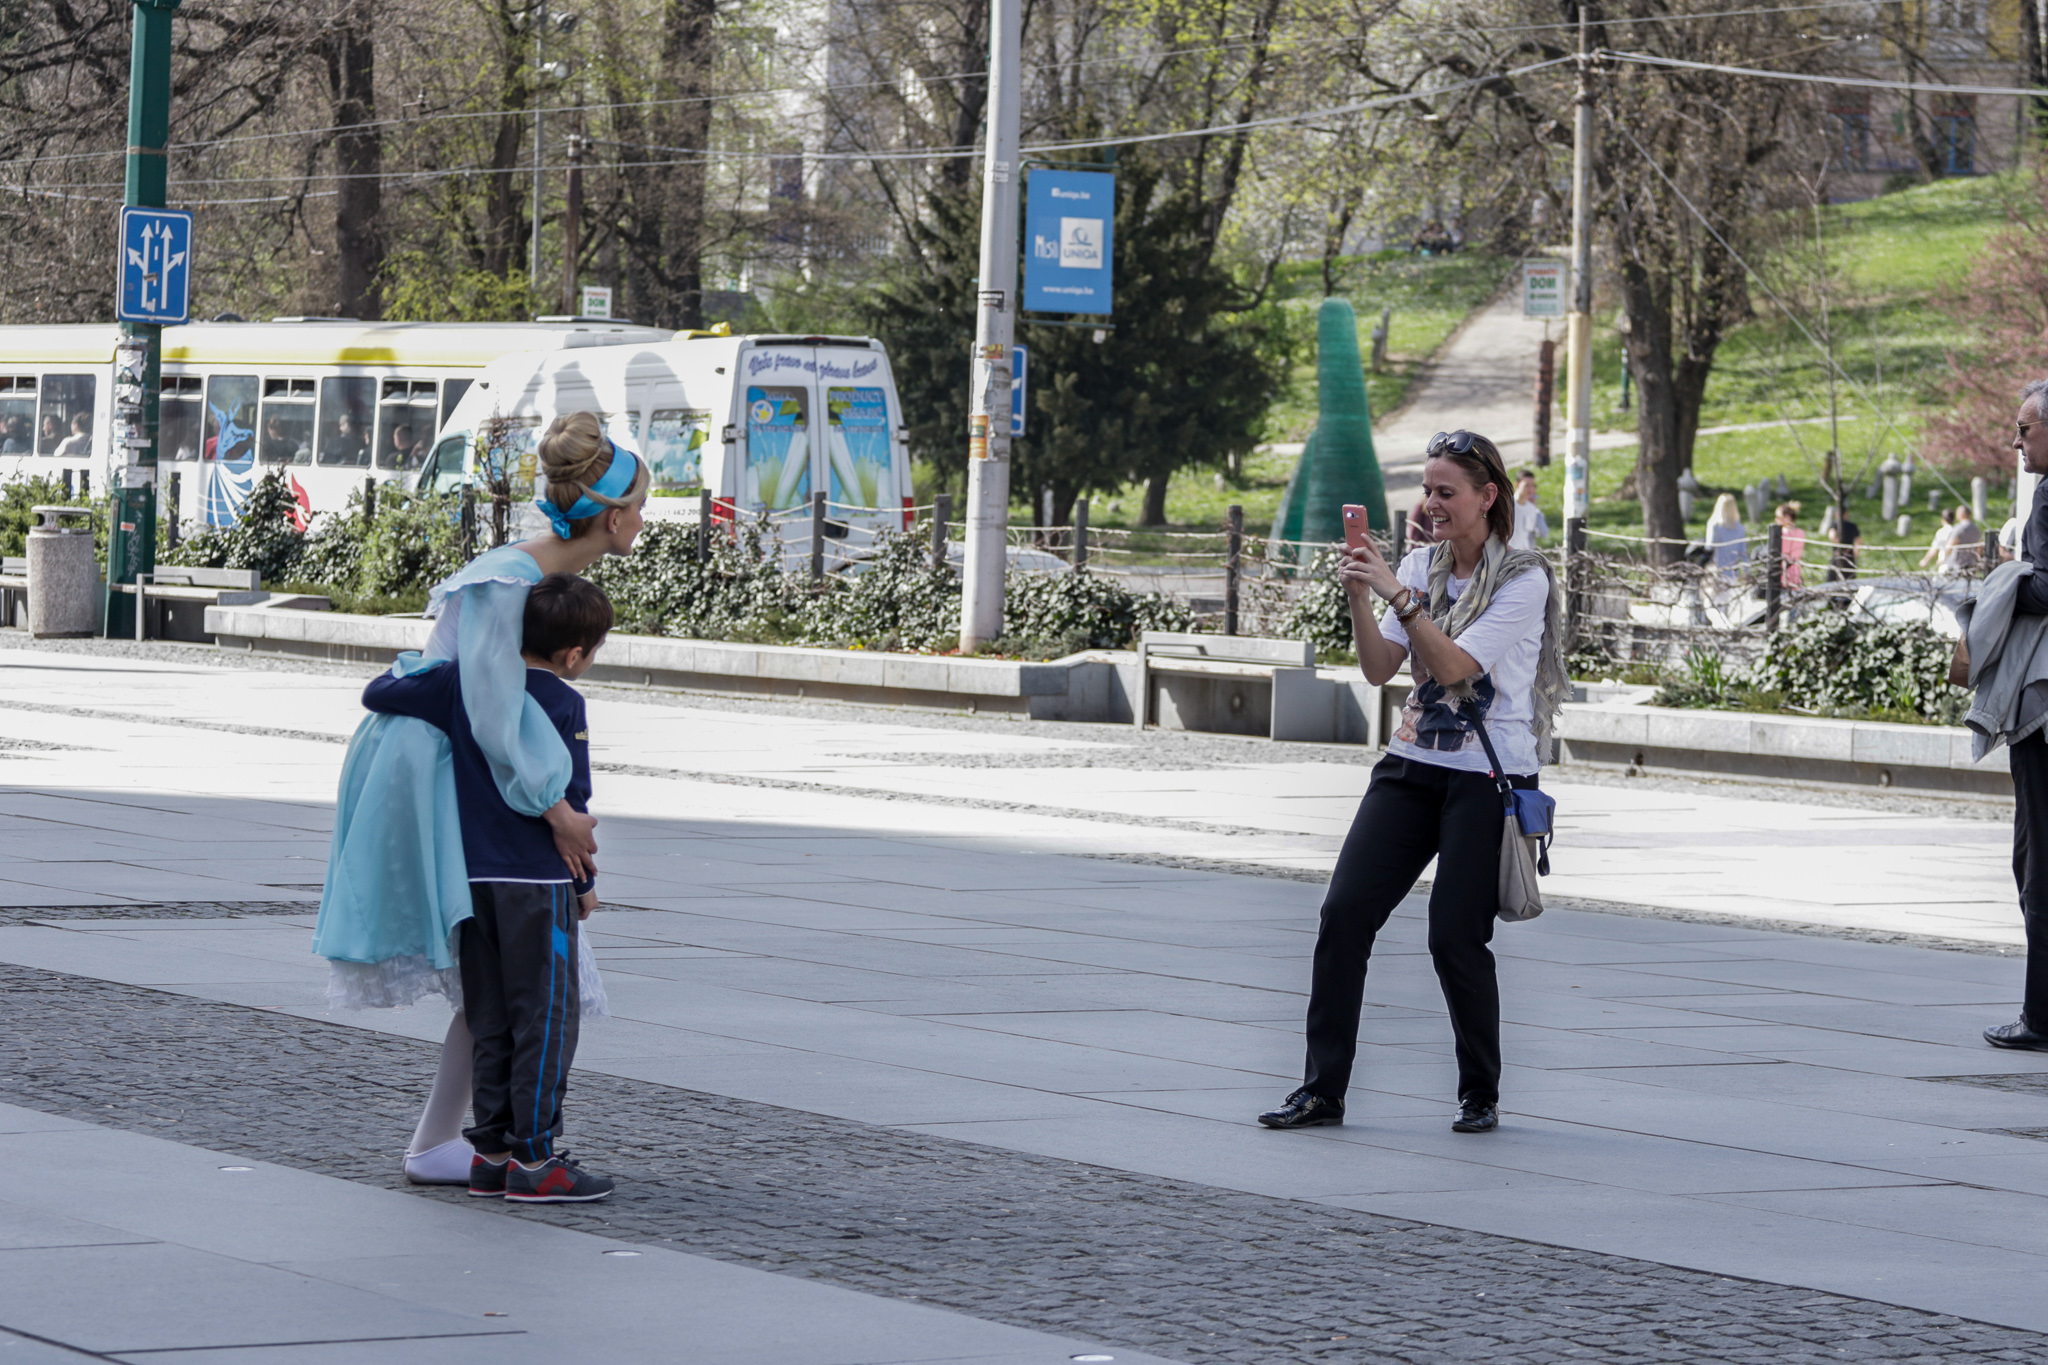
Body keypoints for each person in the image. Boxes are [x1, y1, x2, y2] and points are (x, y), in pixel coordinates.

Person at [312, 410, 649, 1181]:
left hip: (453, 766)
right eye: (639, 507)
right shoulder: (511, 580)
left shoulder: (517, 569)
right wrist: (559, 811)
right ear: (612, 515)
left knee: (493, 983)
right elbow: (495, 716)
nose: (644, 520)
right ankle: (485, 1145)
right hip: (456, 774)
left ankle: (464, 1141)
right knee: (518, 982)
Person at [1258, 429, 1568, 1136]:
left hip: (1485, 778)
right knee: (1343, 914)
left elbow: (1455, 665)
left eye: (1445, 491)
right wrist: (1361, 598)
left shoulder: (1524, 578)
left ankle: (1478, 1090)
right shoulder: (1421, 564)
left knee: (1453, 938)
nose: (1430, 503)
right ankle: (1322, 1089)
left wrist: (1398, 593)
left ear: (1487, 497)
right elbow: (1378, 670)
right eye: (1426, 489)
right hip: (1410, 767)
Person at [362, 574, 616, 1202]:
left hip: (470, 884)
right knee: (546, 1017)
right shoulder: (564, 703)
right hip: (535, 882)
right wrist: (584, 881)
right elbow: (572, 802)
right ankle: (535, 1161)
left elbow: (379, 692)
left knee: (492, 1017)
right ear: (575, 654)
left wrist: (436, 663)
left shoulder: (463, 685)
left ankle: (492, 1155)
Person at [1987, 380, 2048, 1053]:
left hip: (2044, 706)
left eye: (2026, 430)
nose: (2018, 442)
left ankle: (2040, 1013)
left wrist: (2006, 578)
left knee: (2036, 856)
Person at [1704, 493, 1747, 580]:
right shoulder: (1739, 527)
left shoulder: (1714, 525)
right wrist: (1747, 570)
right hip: (1733, 571)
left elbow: (1709, 547)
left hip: (1717, 570)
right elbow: (1743, 551)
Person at [1819, 504, 1862, 585]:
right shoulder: (1853, 526)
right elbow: (1859, 541)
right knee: (1849, 578)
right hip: (1849, 554)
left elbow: (1831, 536)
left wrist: (1839, 545)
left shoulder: (1836, 525)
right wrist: (1855, 552)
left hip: (1838, 554)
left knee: (1833, 577)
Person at [1508, 470, 1548, 551]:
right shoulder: (1508, 505)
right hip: (1508, 553)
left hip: (1524, 554)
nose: (1530, 489)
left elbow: (1531, 534)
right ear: (1517, 484)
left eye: (1533, 485)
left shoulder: (1532, 508)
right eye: (1527, 485)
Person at [1775, 503, 1806, 589]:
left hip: (1782, 572)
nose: (1776, 519)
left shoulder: (1783, 533)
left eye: (1778, 517)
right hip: (1796, 571)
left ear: (1787, 517)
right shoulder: (1801, 532)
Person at [1919, 507, 1957, 571]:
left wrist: (1925, 560)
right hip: (1958, 565)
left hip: (1946, 564)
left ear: (1943, 519)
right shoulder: (1957, 530)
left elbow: (1935, 549)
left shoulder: (1943, 531)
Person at [1951, 504, 1984, 572]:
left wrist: (1943, 558)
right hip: (1972, 562)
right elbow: (1980, 546)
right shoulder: (1976, 529)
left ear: (1961, 514)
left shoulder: (1958, 528)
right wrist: (1979, 559)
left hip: (1959, 561)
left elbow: (1951, 543)